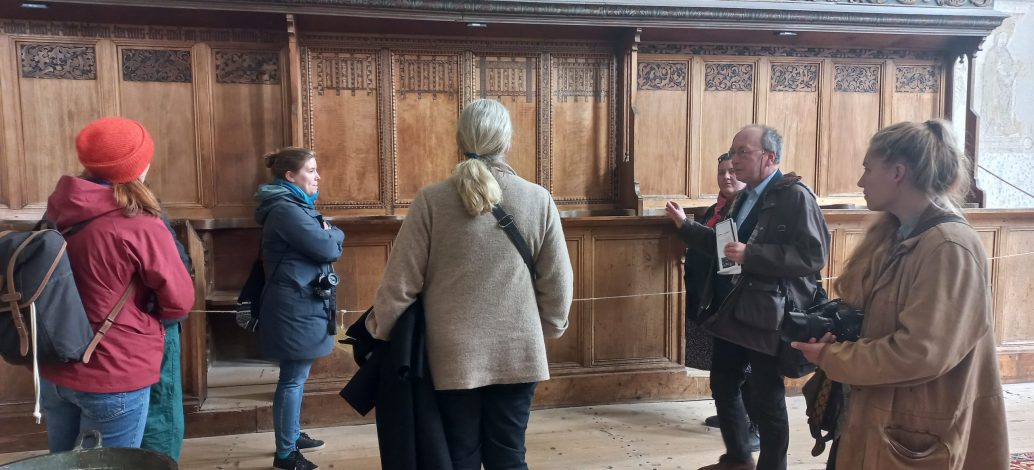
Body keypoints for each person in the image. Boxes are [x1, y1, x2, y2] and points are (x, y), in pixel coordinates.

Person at [366, 98, 574, 470]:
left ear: (460, 141)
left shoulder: (431, 201)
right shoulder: (537, 199)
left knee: (458, 456)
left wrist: (379, 331)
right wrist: (547, 328)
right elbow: (558, 282)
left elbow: (400, 283)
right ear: (507, 142)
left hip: (452, 355)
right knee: (509, 456)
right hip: (518, 349)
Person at [792, 120, 1008, 469]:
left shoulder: (948, 247)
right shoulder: (899, 234)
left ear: (897, 172)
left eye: (868, 169)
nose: (860, 181)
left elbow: (920, 353)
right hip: (875, 418)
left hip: (914, 434)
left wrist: (834, 357)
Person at [38, 116, 195, 451]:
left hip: (56, 366)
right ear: (140, 165)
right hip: (112, 369)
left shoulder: (58, 208)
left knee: (62, 462)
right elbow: (179, 302)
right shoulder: (139, 223)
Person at [680, 125, 829, 470]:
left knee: (766, 396)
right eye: (733, 152)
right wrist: (686, 227)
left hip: (768, 314)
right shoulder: (743, 196)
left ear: (770, 157)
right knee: (723, 382)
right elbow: (725, 248)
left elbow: (813, 255)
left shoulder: (794, 196)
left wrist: (753, 255)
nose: (734, 160)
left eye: (742, 152)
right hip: (733, 309)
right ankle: (738, 458)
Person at [255, 147, 345, 470]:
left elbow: (326, 240)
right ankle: (285, 454)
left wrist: (330, 233)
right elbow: (326, 247)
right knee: (292, 379)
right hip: (293, 307)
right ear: (290, 176)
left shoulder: (294, 205)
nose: (317, 176)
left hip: (300, 302)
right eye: (310, 170)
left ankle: (291, 435)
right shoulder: (285, 210)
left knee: (297, 376)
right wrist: (334, 233)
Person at [666, 154, 759, 451]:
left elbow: (725, 252)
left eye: (733, 171)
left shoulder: (748, 212)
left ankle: (753, 426)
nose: (727, 177)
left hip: (738, 302)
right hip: (715, 300)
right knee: (726, 369)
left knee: (746, 370)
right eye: (721, 172)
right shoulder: (716, 210)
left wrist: (685, 226)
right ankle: (734, 416)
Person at [139, 215, 192, 461]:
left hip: (75, 339)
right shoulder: (144, 217)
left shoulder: (59, 211)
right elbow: (176, 290)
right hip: (146, 329)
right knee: (160, 413)